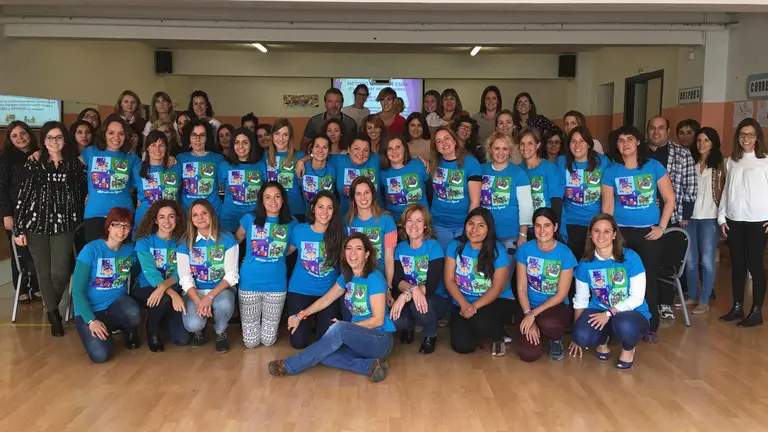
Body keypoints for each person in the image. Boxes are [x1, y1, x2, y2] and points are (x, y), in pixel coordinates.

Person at [268, 233, 395, 383]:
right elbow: (326, 299)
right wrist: (299, 316)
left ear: (366, 254)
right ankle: (370, 366)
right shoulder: (347, 276)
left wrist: (347, 327)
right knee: (325, 353)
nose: (353, 253)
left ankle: (288, 366)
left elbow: (378, 320)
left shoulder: (375, 278)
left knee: (335, 333)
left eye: (358, 249)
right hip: (358, 339)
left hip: (379, 340)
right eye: (349, 248)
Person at [602, 125, 675, 343]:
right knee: (618, 281)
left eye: (630, 139)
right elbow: (607, 208)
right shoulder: (612, 171)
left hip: (648, 233)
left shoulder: (653, 166)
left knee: (648, 279)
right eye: (621, 140)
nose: (625, 144)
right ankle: (618, 325)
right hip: (621, 233)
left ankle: (650, 325)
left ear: (638, 143)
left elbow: (669, 199)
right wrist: (609, 235)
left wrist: (661, 227)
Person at [14, 121, 85, 335]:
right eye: (50, 138)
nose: (55, 142)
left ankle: (51, 304)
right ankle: (54, 314)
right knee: (43, 272)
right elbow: (23, 196)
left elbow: (81, 193)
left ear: (65, 140)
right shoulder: (34, 164)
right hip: (36, 225)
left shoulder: (74, 165)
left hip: (65, 224)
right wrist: (18, 229)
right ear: (44, 141)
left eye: (59, 137)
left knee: (61, 271)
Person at [570, 213, 651, 369]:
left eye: (606, 231)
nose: (601, 236)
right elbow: (580, 299)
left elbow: (637, 298)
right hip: (598, 309)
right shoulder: (585, 263)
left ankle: (628, 349)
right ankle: (602, 340)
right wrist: (577, 331)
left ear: (614, 234)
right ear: (590, 235)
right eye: (596, 231)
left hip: (632, 311)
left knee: (625, 324)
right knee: (582, 335)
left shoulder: (631, 258)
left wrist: (609, 313)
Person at [72, 208, 141, 363]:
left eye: (126, 226)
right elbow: (77, 291)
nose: (121, 230)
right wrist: (91, 320)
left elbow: (137, 269)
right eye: (116, 225)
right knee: (101, 356)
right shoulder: (91, 250)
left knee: (134, 313)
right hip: (90, 311)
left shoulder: (131, 250)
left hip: (115, 304)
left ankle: (125, 328)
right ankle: (100, 329)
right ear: (108, 226)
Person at [445, 207, 516, 356]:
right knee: (462, 346)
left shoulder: (498, 250)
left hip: (495, 301)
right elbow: (449, 280)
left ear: (489, 229)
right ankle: (476, 330)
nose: (474, 229)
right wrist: (464, 305)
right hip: (462, 301)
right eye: (471, 224)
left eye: (481, 225)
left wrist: (473, 307)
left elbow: (497, 288)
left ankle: (498, 336)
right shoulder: (455, 246)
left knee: (480, 322)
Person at [647, 116, 697, 325]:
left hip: (672, 218)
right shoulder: (637, 152)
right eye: (652, 128)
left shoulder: (682, 154)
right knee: (645, 262)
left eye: (660, 128)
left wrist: (685, 215)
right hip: (644, 218)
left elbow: (691, 186)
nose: (656, 132)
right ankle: (646, 303)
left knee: (666, 262)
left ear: (668, 132)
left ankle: (665, 303)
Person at [718, 118, 768, 328]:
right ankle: (737, 306)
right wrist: (722, 216)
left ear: (757, 138)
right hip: (735, 220)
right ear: (737, 138)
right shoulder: (730, 161)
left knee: (755, 266)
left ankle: (756, 310)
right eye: (742, 134)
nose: (746, 139)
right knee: (737, 265)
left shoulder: (766, 161)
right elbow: (726, 191)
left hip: (759, 222)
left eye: (750, 134)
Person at [235, 182, 298, 348]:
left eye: (277, 196)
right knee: (250, 343)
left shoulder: (292, 223)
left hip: (276, 286)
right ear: (261, 201)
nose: (273, 201)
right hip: (249, 284)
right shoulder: (249, 219)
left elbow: (290, 249)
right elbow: (235, 242)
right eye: (268, 197)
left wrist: (272, 253)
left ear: (283, 200)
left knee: (268, 341)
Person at [514, 207, 577, 362]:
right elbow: (521, 288)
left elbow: (561, 294)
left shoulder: (565, 253)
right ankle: (538, 334)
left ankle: (555, 338)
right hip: (528, 305)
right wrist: (529, 313)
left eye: (547, 225)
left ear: (555, 227)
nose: (542, 230)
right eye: (538, 225)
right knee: (528, 355)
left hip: (555, 307)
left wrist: (533, 315)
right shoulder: (525, 250)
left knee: (549, 323)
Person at [177, 199, 239, 353]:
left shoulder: (227, 238)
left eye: (204, 213)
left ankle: (220, 332)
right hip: (195, 291)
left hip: (221, 289)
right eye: (195, 215)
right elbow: (185, 277)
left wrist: (209, 297)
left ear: (212, 215)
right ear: (191, 219)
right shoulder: (185, 243)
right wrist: (199, 301)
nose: (200, 218)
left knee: (224, 304)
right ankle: (200, 329)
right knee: (192, 324)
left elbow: (231, 275)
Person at [285, 191, 345, 348]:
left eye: (329, 208)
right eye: (320, 207)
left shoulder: (339, 232)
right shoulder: (299, 230)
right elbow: (287, 252)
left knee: (325, 342)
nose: (325, 212)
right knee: (298, 343)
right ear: (313, 208)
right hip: (300, 290)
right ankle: (307, 325)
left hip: (328, 292)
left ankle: (317, 324)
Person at [390, 204, 449, 354]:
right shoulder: (400, 248)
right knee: (395, 317)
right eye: (410, 220)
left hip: (434, 298)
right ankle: (408, 327)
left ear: (425, 226)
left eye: (419, 221)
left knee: (420, 304)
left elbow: (432, 285)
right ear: (404, 224)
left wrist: (410, 293)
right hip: (410, 296)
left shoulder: (433, 247)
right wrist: (411, 291)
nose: (414, 225)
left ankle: (430, 335)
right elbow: (398, 280)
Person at [133, 200, 190, 352]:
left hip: (171, 287)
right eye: (162, 217)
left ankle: (160, 317)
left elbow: (180, 271)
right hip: (147, 286)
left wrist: (165, 287)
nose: (167, 221)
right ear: (155, 220)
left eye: (171, 216)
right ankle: (152, 330)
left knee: (182, 339)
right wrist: (170, 293)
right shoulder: (144, 241)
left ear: (177, 219)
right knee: (163, 298)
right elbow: (150, 272)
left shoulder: (182, 241)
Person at [80, 115, 142, 242]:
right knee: (97, 258)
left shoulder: (132, 158)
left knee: (122, 259)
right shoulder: (91, 152)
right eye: (111, 133)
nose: (116, 137)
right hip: (94, 215)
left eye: (121, 134)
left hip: (123, 216)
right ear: (104, 134)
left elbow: (139, 184)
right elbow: (70, 168)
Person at [683, 127, 724, 315]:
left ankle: (705, 298)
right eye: (699, 140)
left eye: (706, 140)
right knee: (690, 260)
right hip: (690, 218)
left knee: (707, 261)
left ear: (713, 143)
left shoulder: (720, 166)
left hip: (710, 217)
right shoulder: (689, 162)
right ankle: (692, 295)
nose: (701, 144)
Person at [1, 121, 40, 303]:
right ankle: (22, 287)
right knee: (19, 251)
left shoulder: (41, 153)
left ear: (29, 134)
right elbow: (1, 188)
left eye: (22, 133)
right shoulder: (6, 158)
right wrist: (6, 214)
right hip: (14, 213)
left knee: (37, 250)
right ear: (10, 139)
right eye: (14, 136)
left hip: (38, 212)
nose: (20, 138)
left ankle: (38, 287)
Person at [558, 127, 611, 260]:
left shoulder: (603, 162)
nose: (577, 145)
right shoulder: (561, 162)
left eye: (581, 141)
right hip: (569, 223)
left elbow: (612, 192)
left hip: (595, 224)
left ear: (588, 144)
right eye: (573, 141)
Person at [481, 131, 533, 260]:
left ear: (510, 151)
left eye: (505, 148)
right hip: (483, 233)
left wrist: (523, 235)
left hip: (510, 235)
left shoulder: (519, 173)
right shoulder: (480, 170)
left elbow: (526, 207)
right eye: (497, 148)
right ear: (490, 149)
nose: (501, 152)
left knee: (505, 277)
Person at [429, 126, 482, 250]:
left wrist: (469, 226)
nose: (444, 143)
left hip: (461, 224)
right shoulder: (434, 163)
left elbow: (475, 201)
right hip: (437, 223)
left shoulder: (470, 162)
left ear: (455, 141)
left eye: (447, 138)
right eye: (439, 141)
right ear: (436, 147)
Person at [346, 176, 398, 295]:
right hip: (355, 280)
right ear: (353, 197)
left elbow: (389, 258)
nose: (363, 197)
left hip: (379, 279)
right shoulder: (348, 221)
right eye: (358, 193)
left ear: (373, 195)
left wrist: (388, 287)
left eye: (366, 192)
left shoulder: (387, 220)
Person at [217, 127, 266, 233]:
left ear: (251, 145)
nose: (240, 146)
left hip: (254, 218)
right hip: (229, 219)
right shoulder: (224, 165)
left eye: (245, 142)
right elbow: (221, 191)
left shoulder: (261, 165)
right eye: (237, 142)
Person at [132, 130, 181, 232]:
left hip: (169, 222)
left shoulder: (176, 167)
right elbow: (126, 190)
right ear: (147, 148)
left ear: (166, 148)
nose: (157, 149)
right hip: (144, 220)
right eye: (153, 145)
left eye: (161, 145)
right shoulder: (137, 168)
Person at [517, 127, 564, 229]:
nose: (525, 147)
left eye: (530, 143)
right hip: (527, 228)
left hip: (548, 227)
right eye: (522, 143)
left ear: (538, 145)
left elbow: (556, 201)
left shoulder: (549, 168)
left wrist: (554, 229)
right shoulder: (518, 170)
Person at [177, 119, 225, 213]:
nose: (197, 139)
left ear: (207, 137)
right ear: (189, 137)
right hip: (187, 211)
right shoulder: (180, 158)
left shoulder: (218, 159)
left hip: (212, 211)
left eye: (202, 135)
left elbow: (223, 187)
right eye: (194, 135)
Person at [379, 134, 430, 220]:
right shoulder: (383, 172)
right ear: (385, 152)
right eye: (390, 148)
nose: (394, 151)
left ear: (405, 148)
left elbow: (429, 190)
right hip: (395, 220)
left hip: (420, 219)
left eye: (398, 147)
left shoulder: (419, 165)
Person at [332, 133, 381, 216]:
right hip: (345, 217)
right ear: (348, 149)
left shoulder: (377, 160)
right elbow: (319, 155)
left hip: (375, 217)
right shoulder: (338, 161)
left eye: (365, 150)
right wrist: (302, 161)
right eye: (356, 149)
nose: (361, 153)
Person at [266, 118, 306, 221]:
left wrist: (304, 159)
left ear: (290, 137)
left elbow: (316, 154)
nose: (281, 138)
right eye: (277, 134)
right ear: (272, 135)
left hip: (295, 209)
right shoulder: (264, 156)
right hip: (272, 210)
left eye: (285, 134)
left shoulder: (299, 156)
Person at [301, 88, 358, 153]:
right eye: (330, 101)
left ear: (342, 104)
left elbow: (355, 146)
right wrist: (304, 161)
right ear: (325, 104)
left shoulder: (350, 123)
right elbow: (304, 144)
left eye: (337, 102)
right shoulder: (314, 121)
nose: (334, 106)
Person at [299, 135, 336, 206]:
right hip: (306, 215)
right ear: (311, 149)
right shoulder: (302, 168)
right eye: (317, 146)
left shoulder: (333, 170)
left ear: (329, 151)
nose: (320, 150)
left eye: (325, 147)